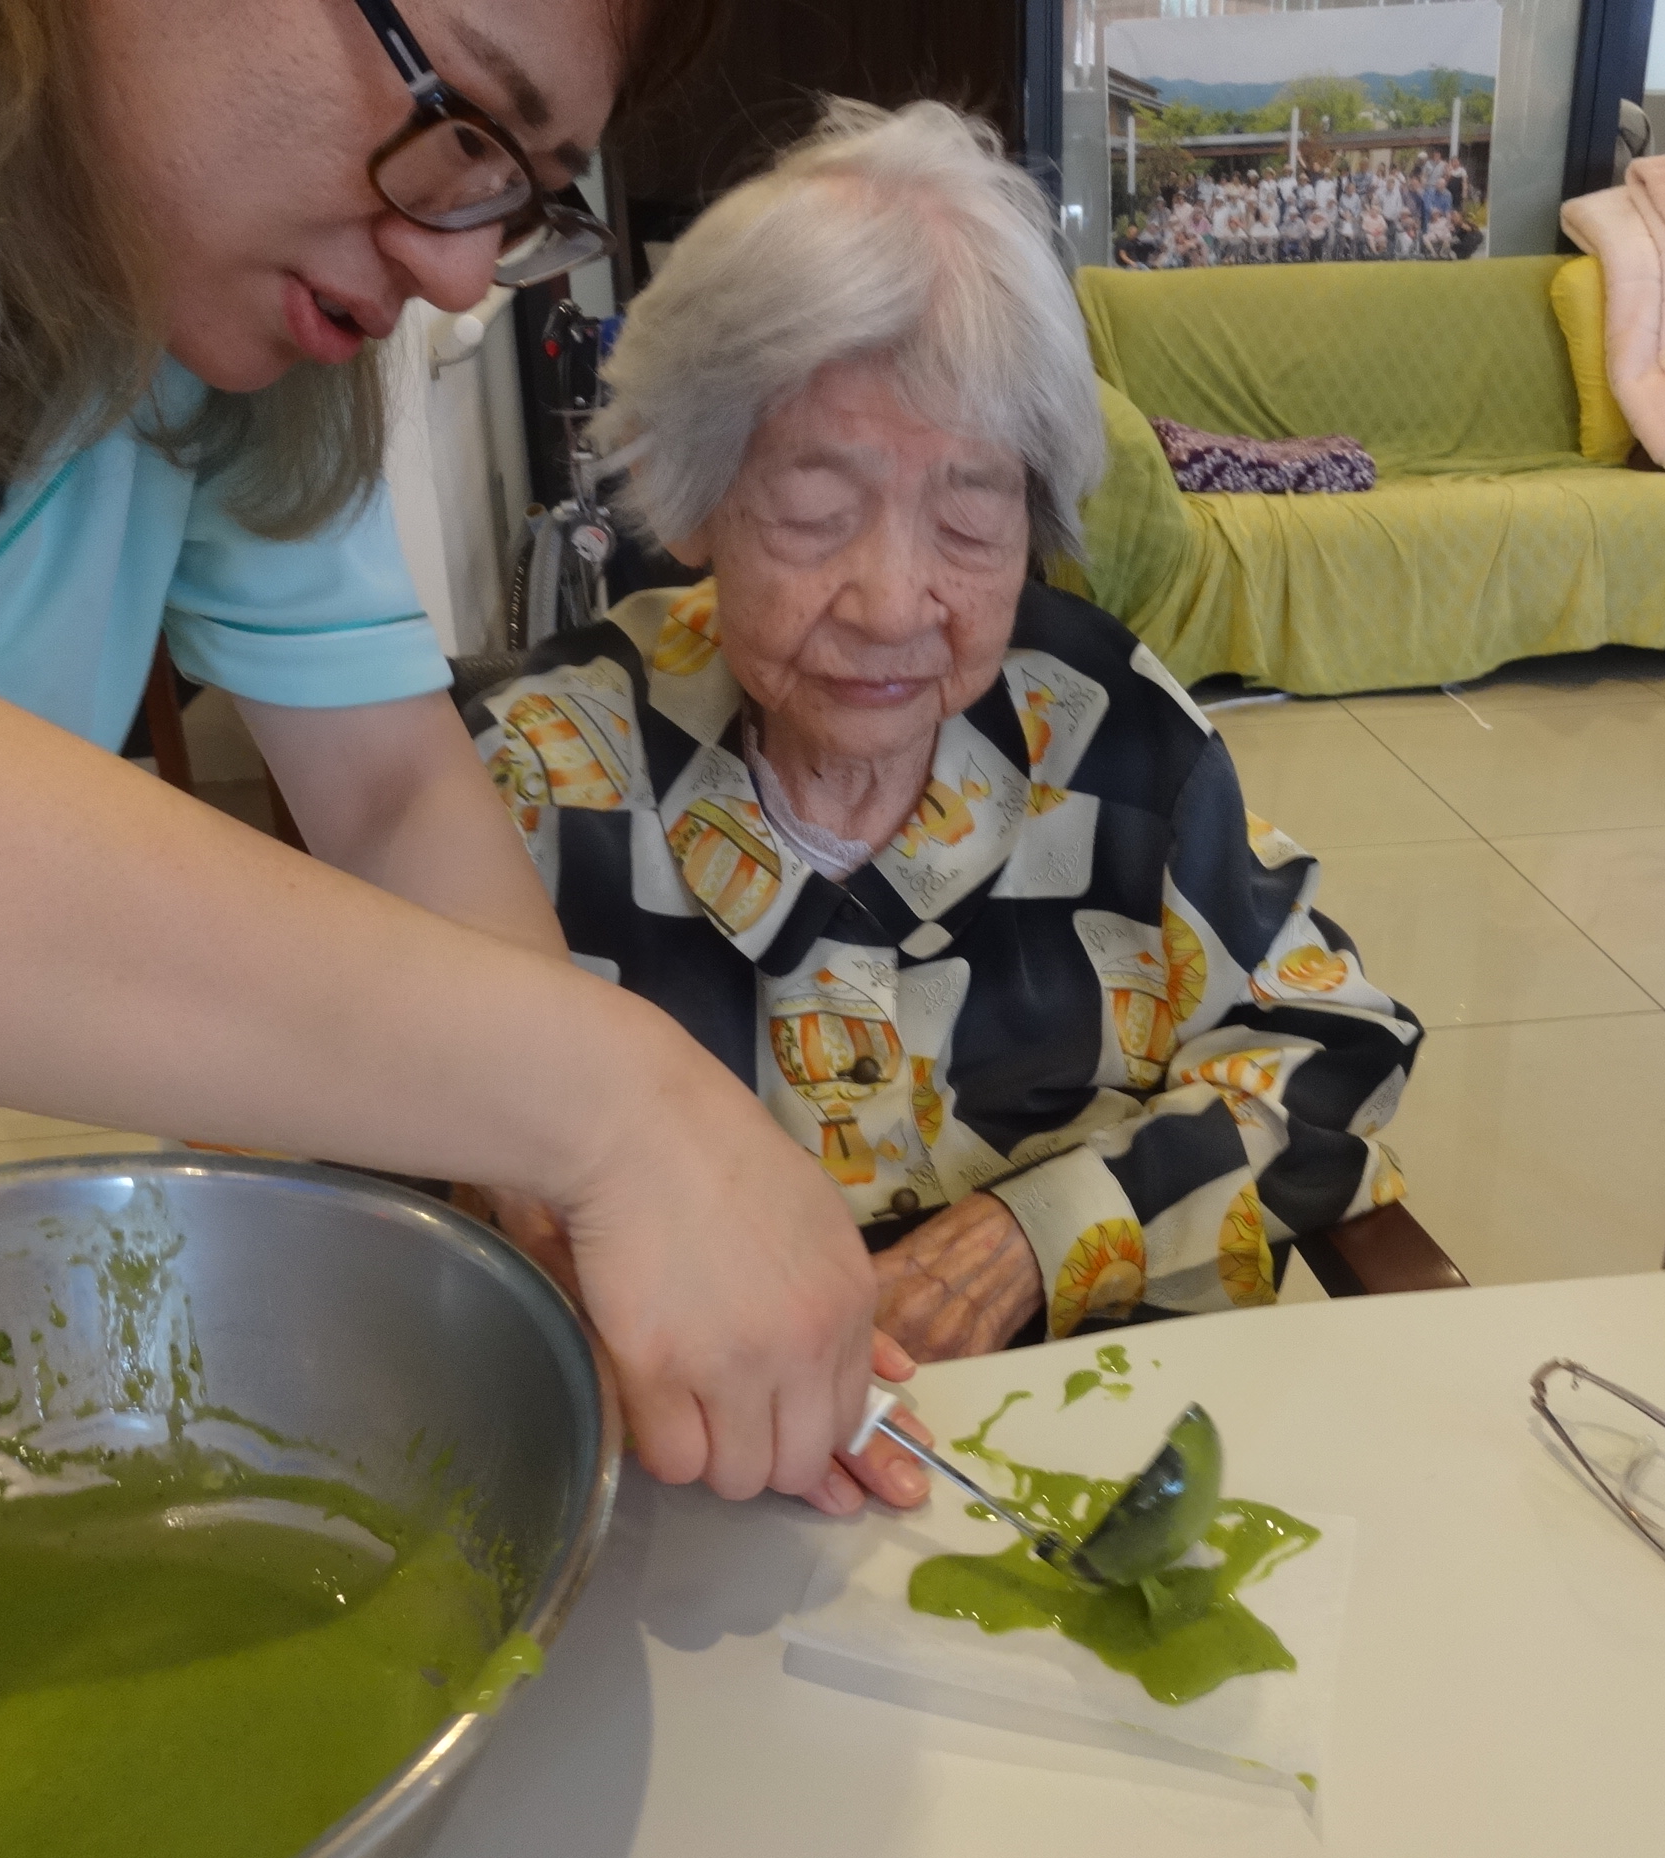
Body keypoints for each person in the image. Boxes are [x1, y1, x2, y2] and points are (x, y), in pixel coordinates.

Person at [0, 0, 889, 1515]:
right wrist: (618, 1107)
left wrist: (582, 1223)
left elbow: (387, 790)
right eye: (461, 121)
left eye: (519, 194)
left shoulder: (185, 300)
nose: (456, 275)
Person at [465, 102, 1425, 1364]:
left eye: (970, 523)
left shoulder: (1118, 742)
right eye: (815, 512)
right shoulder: (539, 774)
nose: (891, 606)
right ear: (693, 501)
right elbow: (390, 1139)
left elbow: (1338, 1050)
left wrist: (1038, 1236)